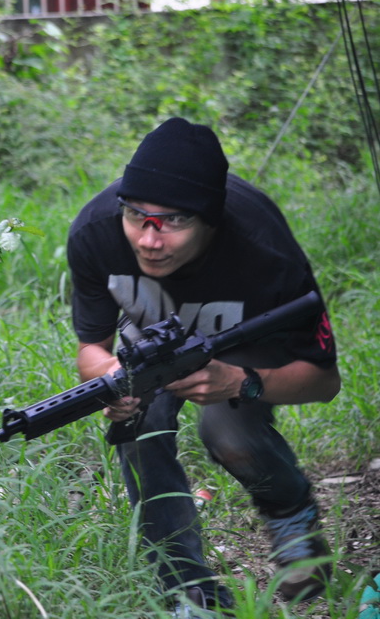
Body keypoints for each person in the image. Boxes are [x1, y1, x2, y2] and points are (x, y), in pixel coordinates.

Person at [65, 117, 341, 616]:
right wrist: (109, 377)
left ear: (211, 221)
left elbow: (324, 382)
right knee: (139, 424)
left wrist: (242, 382)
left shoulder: (267, 253)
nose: (149, 240)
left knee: (228, 430)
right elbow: (91, 349)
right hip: (149, 334)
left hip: (245, 340)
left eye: (174, 221)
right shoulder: (95, 233)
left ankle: (289, 511)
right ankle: (186, 589)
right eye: (136, 216)